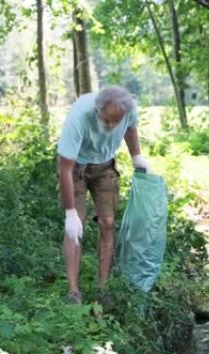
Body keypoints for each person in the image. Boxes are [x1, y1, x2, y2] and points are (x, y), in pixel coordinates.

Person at [56, 85, 150, 304]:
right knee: (75, 228)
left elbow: (130, 127)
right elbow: (65, 169)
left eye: (115, 121)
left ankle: (103, 287)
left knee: (107, 222)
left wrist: (136, 156)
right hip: (76, 168)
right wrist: (70, 212)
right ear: (98, 110)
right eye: (106, 119)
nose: (110, 125)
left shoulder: (128, 111)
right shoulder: (79, 117)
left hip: (105, 166)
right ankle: (73, 292)